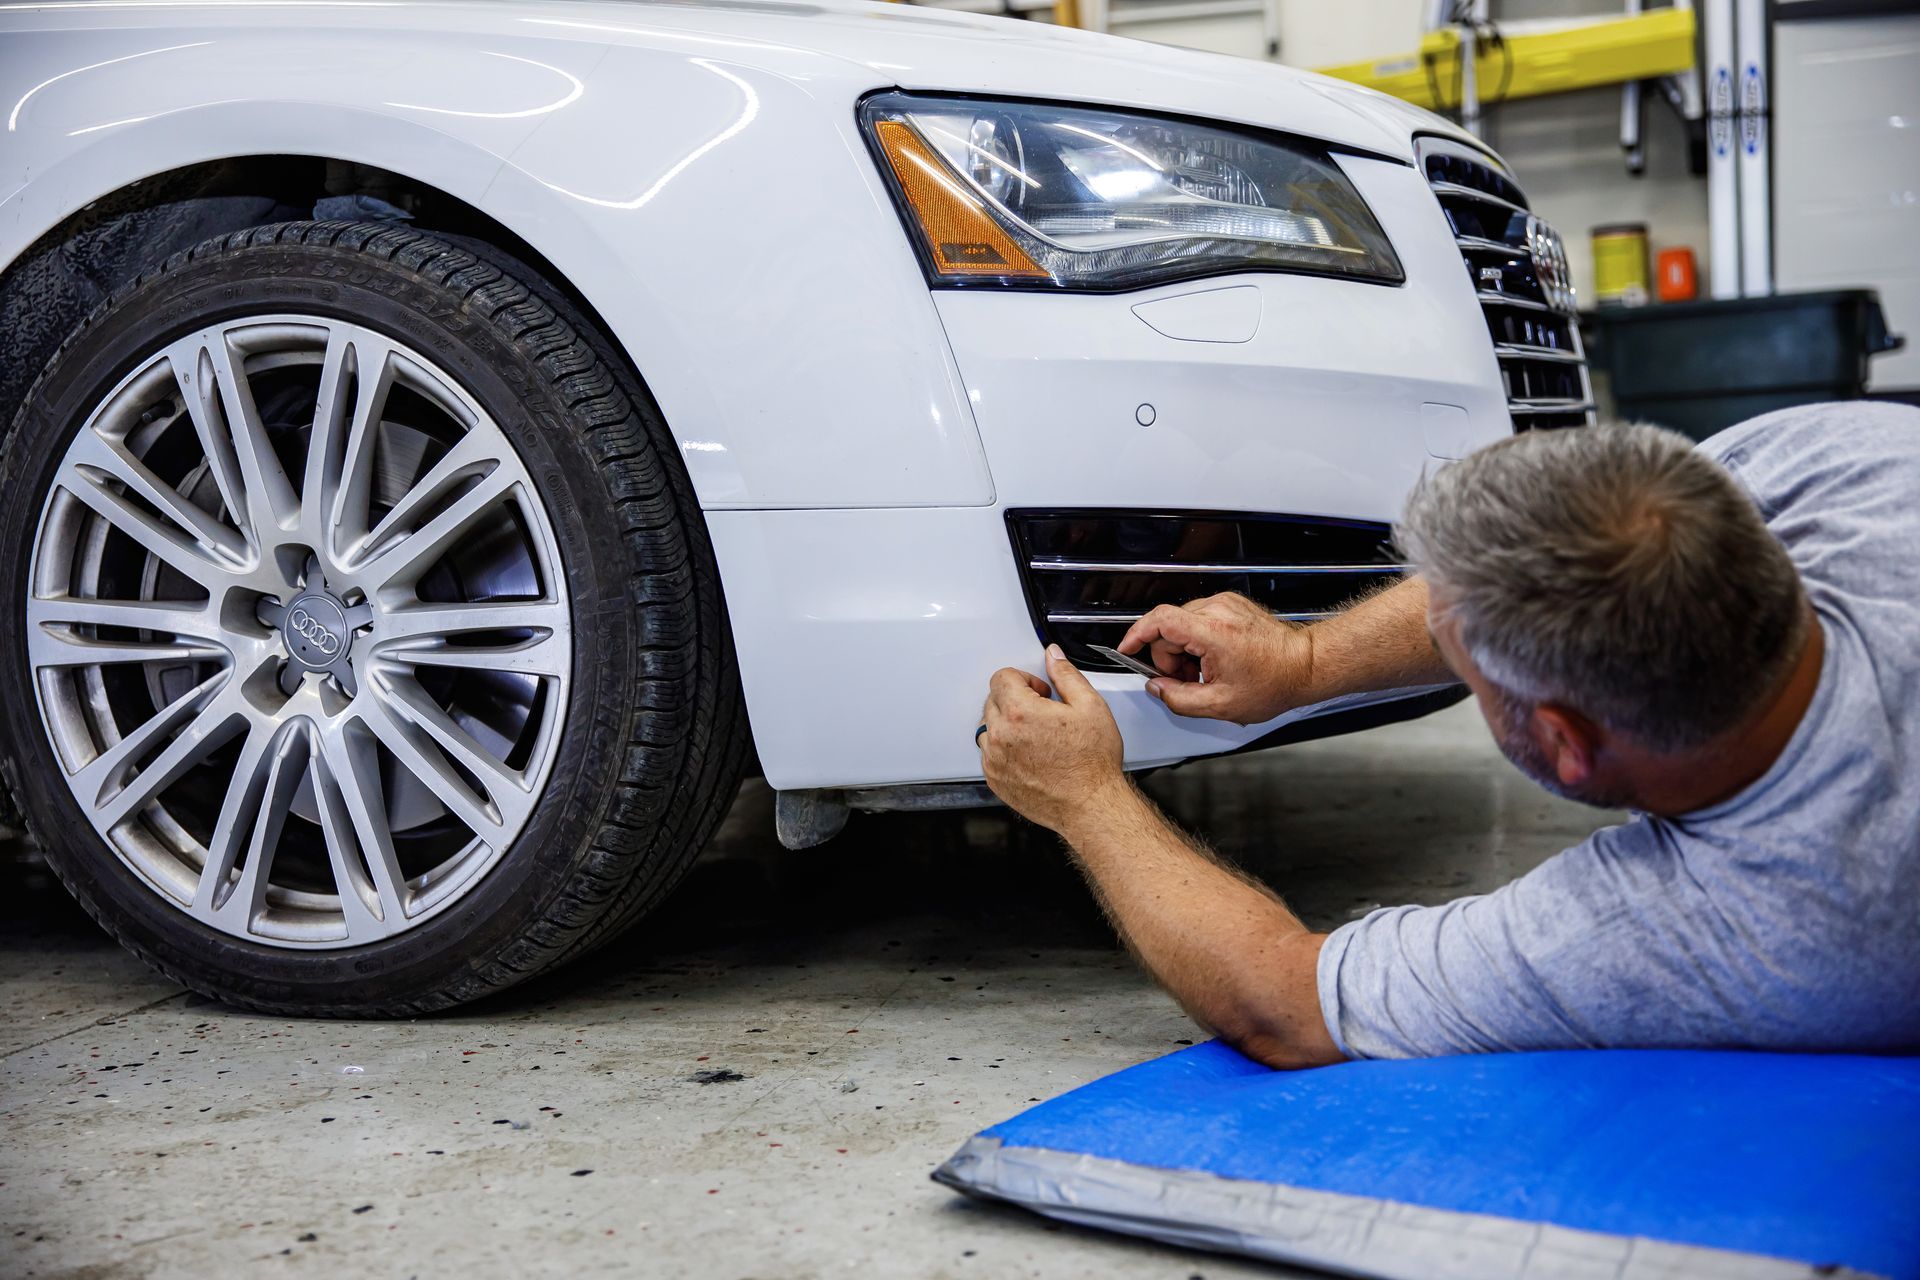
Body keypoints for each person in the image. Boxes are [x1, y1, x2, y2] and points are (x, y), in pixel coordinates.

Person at [975, 403, 1920, 1068]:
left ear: (1566, 744)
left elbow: (1286, 1004)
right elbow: (1585, 539)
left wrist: (1088, 796)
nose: (1445, 643)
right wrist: (1304, 665)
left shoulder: (1749, 929)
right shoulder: (1861, 467)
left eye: (1468, 668)